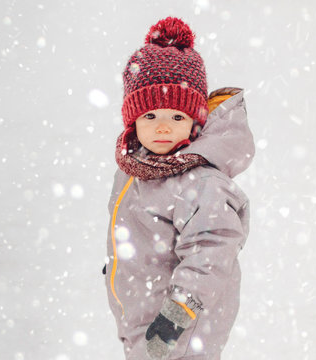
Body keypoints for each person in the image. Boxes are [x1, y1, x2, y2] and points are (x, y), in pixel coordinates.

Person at [103, 16, 254, 360]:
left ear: (195, 121)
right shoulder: (136, 168)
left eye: (176, 117)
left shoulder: (200, 182)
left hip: (180, 327)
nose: (162, 128)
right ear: (133, 120)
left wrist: (177, 313)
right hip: (144, 316)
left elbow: (213, 249)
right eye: (150, 116)